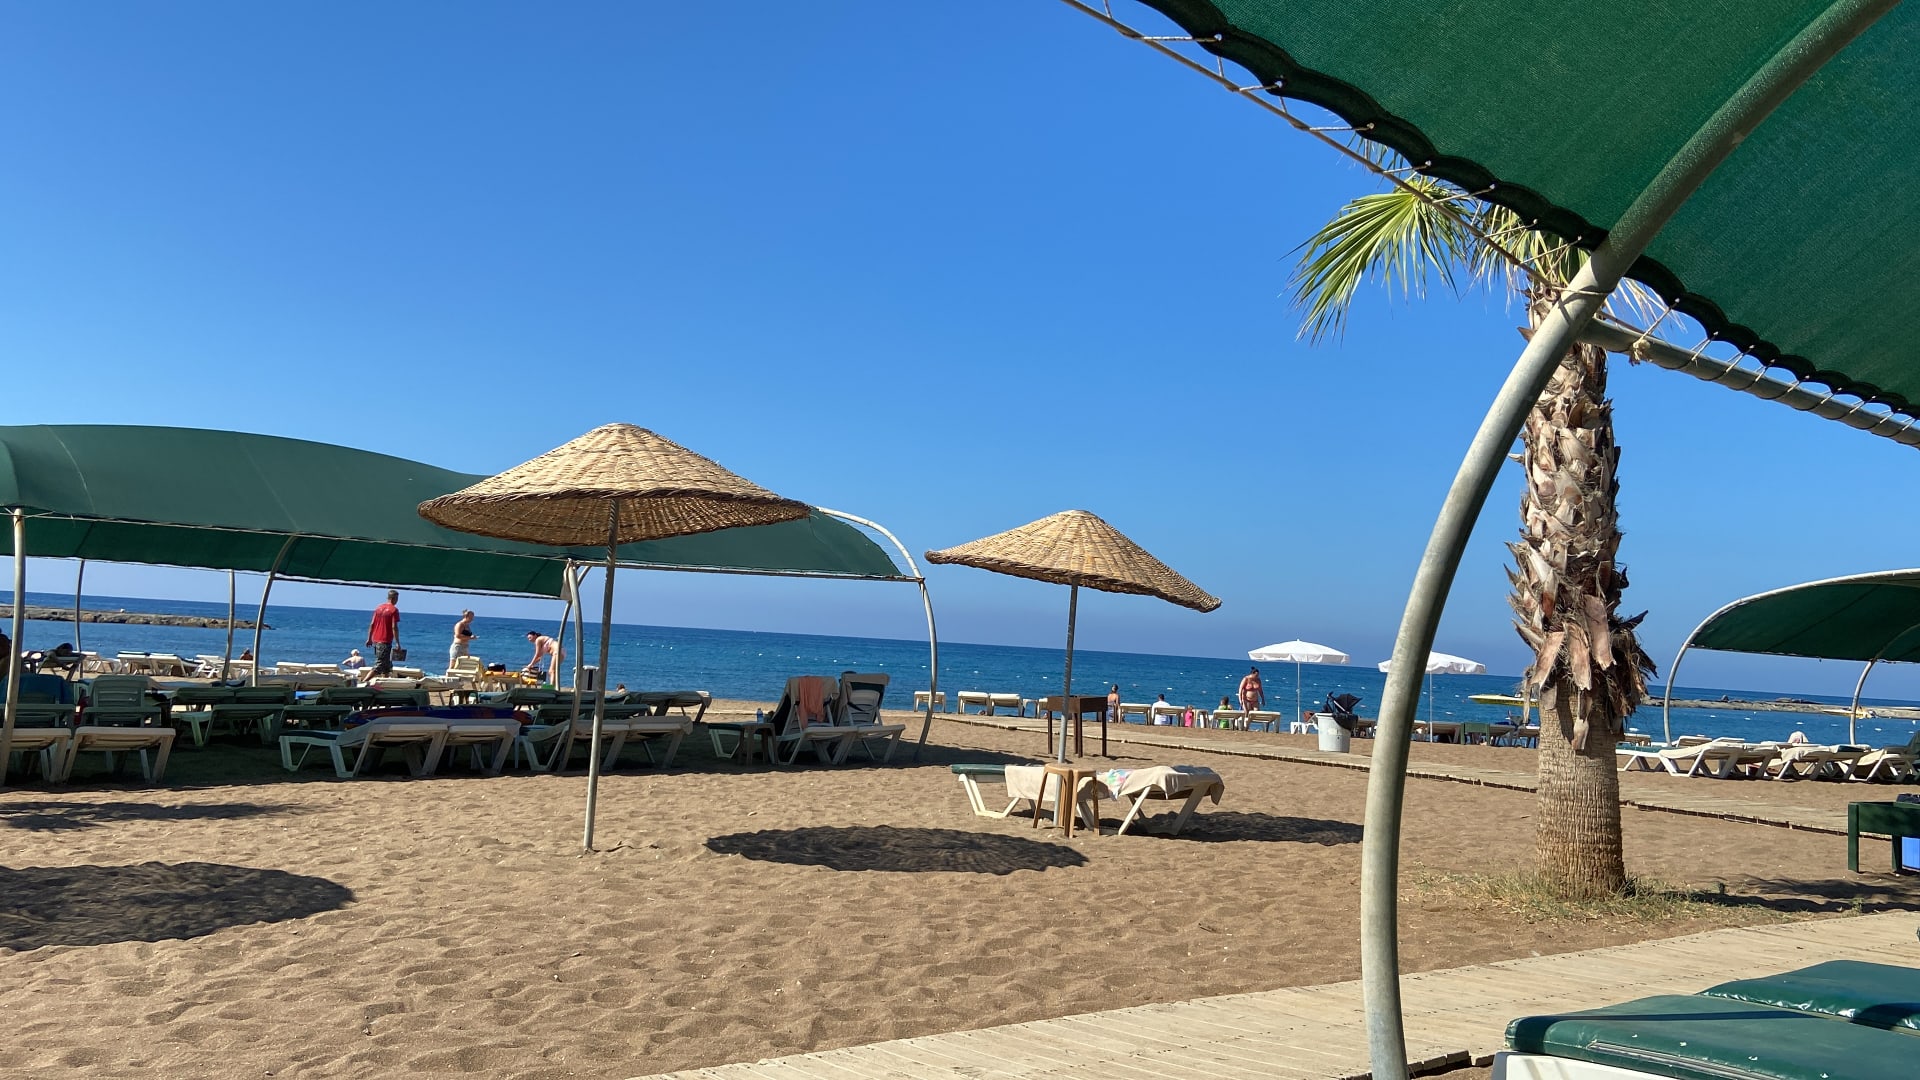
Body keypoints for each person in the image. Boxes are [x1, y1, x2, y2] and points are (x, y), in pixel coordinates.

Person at [366, 589, 401, 677]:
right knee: (379, 665)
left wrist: (369, 638)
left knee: (387, 666)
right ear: (394, 598)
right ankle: (363, 681)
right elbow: (394, 627)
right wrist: (397, 643)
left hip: (376, 640)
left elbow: (372, 624)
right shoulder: (394, 610)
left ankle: (384, 682)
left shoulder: (378, 608)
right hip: (385, 641)